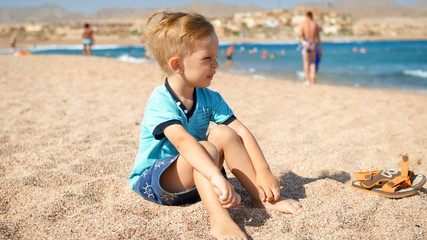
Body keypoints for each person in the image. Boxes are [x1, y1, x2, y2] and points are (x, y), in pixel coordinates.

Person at [129, 11, 302, 240]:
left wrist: (263, 171)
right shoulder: (160, 100)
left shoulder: (210, 97)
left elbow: (240, 131)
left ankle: (261, 199)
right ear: (177, 64)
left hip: (202, 178)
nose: (216, 64)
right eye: (207, 58)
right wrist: (216, 176)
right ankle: (220, 220)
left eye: (216, 57)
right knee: (204, 147)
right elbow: (183, 143)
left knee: (224, 133)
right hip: (159, 181)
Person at [299, 11, 322, 85]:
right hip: (312, 43)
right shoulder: (315, 24)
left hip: (305, 43)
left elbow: (300, 34)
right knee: (312, 62)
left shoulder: (303, 24)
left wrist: (302, 41)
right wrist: (320, 48)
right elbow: (318, 37)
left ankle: (307, 79)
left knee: (306, 62)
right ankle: (313, 76)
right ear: (312, 16)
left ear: (306, 16)